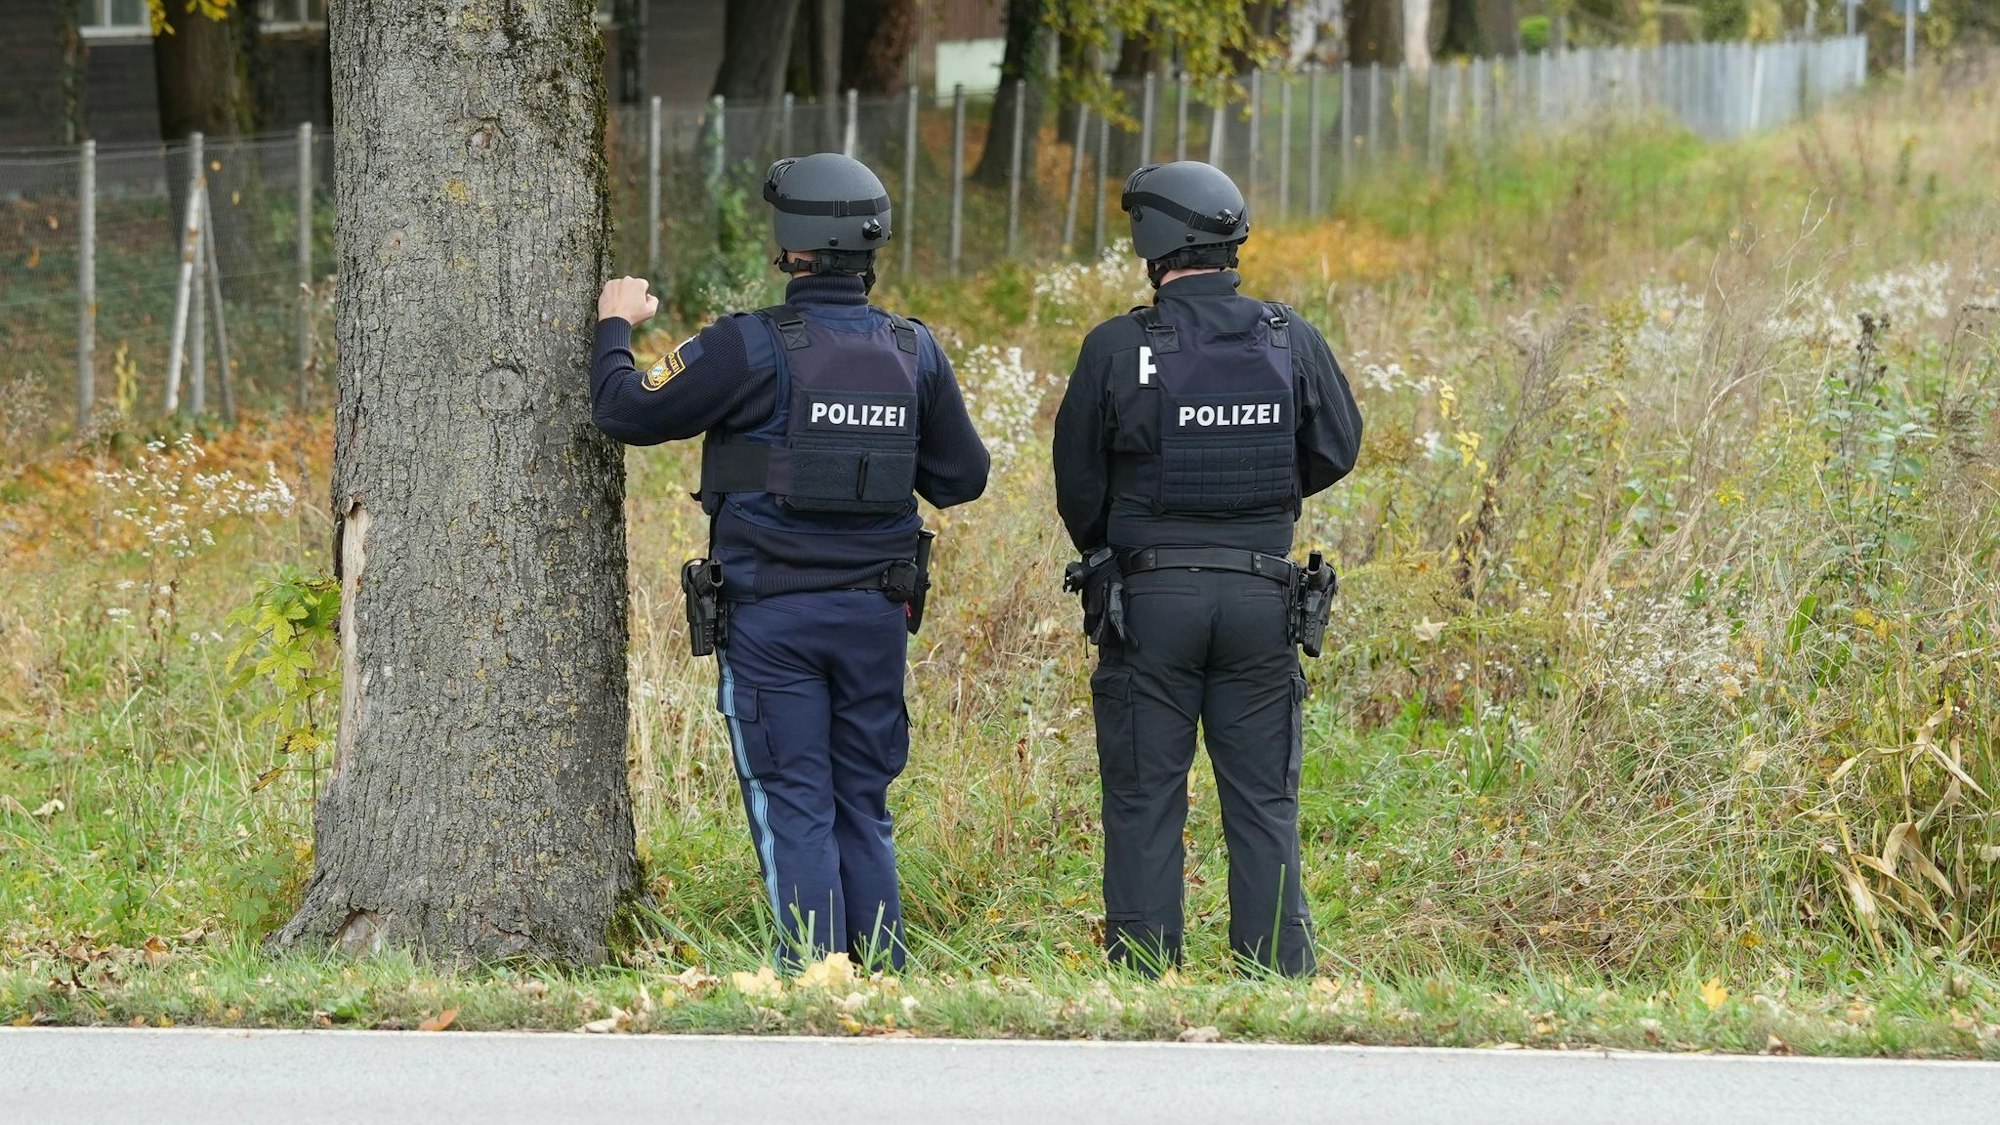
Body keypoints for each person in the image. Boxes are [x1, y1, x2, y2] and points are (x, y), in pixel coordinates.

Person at [589, 152, 990, 970]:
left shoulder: (746, 346)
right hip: (877, 619)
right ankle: (880, 979)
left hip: (773, 622)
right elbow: (963, 478)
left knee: (795, 804)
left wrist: (614, 324)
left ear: (791, 244)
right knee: (862, 807)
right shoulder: (915, 350)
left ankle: (812, 984)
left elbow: (623, 408)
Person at [1051, 160, 1364, 977]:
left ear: (1153, 241)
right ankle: (1274, 978)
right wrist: (1261, 503)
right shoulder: (1288, 336)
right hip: (1264, 594)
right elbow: (1338, 446)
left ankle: (1146, 977)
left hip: (1149, 601)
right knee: (1264, 802)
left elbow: (1077, 488)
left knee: (1144, 798)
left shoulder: (1119, 346)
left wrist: (1136, 535)